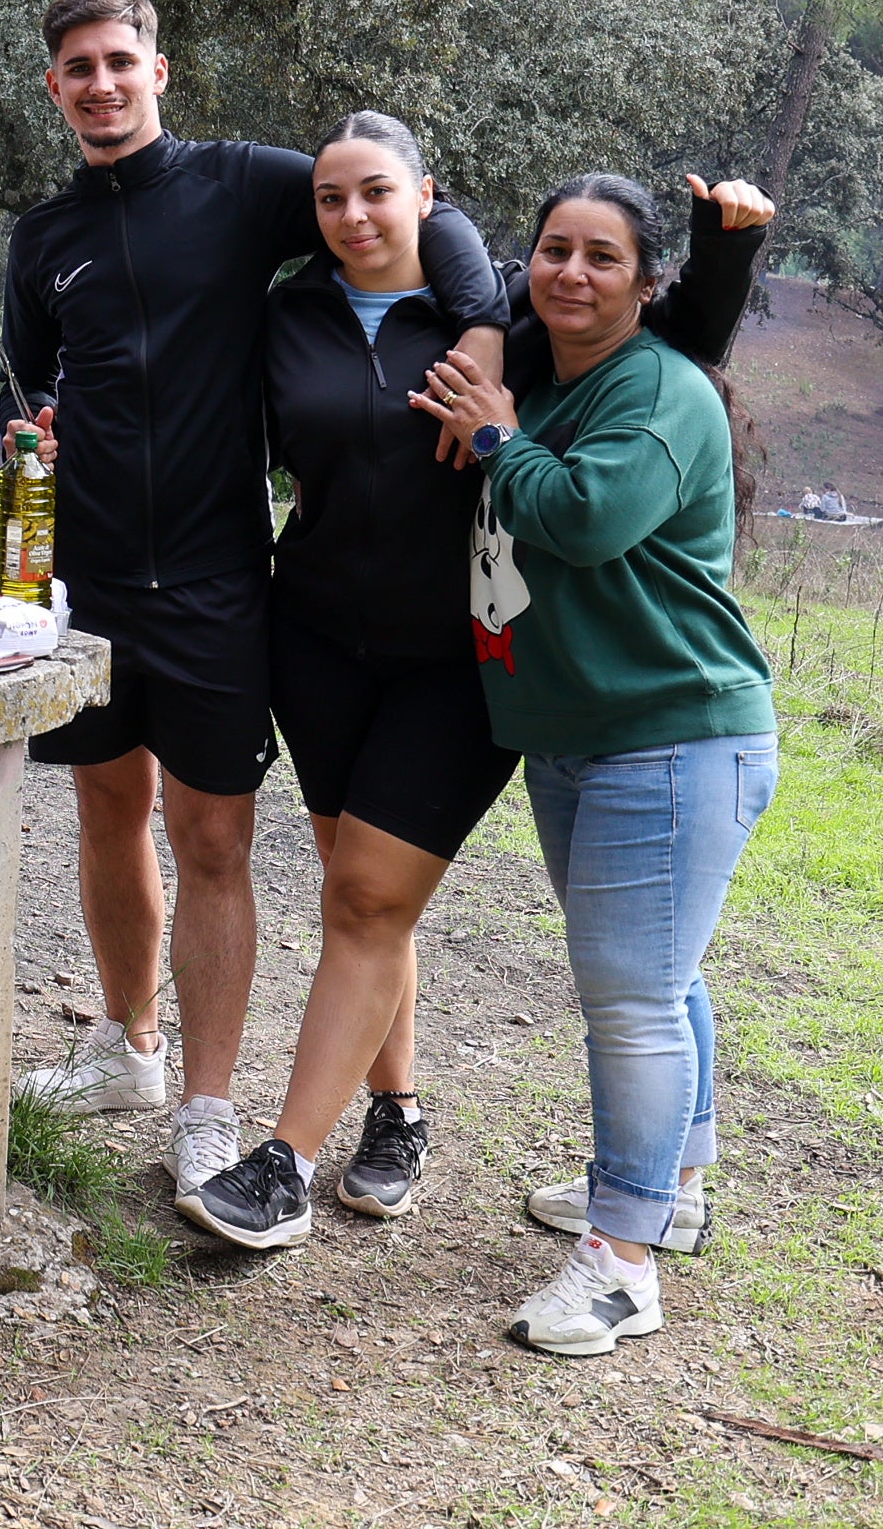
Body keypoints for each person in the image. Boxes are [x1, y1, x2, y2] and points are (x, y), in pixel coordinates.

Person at [177, 116, 772, 1249]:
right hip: (318, 647)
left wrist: (726, 247)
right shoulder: (289, 315)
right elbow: (221, 443)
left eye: (378, 191)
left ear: (427, 195)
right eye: (330, 198)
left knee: (370, 898)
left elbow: (666, 333)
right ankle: (397, 1111)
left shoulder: (508, 320)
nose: (353, 215)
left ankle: (285, 1164)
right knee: (358, 894)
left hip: (461, 665)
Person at [0, 0, 509, 1203]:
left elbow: (415, 204)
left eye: (118, 61)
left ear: (157, 71)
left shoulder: (243, 184)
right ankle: (127, 1046)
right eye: (77, 68)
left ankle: (206, 1110)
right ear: (54, 86)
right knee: (105, 809)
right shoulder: (41, 236)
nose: (100, 84)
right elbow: (20, 387)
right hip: (84, 581)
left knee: (213, 840)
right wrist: (34, 432)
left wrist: (485, 328)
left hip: (218, 581)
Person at [413, 174, 778, 1355]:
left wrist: (492, 435)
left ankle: (620, 1265)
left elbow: (580, 520)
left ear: (644, 281)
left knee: (628, 1002)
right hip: (584, 737)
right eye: (552, 251)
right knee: (657, 981)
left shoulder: (657, 388)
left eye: (601, 257)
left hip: (668, 735)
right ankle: (671, 1191)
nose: (569, 273)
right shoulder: (556, 374)